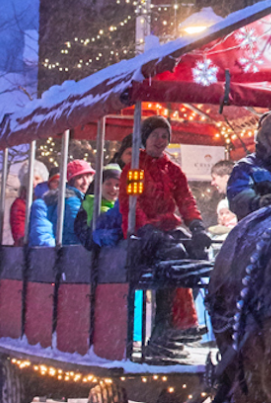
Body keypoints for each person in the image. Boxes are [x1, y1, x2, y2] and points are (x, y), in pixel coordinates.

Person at [118, 115, 210, 362]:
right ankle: (164, 329)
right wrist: (146, 228)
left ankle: (182, 325)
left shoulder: (173, 170)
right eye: (155, 135)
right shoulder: (135, 169)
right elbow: (131, 205)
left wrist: (197, 225)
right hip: (143, 234)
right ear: (145, 138)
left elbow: (186, 200)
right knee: (174, 257)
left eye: (164, 136)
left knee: (198, 254)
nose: (160, 140)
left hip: (168, 228)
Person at [38, 159, 95, 246]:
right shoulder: (71, 202)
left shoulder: (79, 199)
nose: (86, 182)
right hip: (74, 251)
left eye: (88, 176)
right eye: (80, 178)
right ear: (71, 182)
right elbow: (80, 231)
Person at [74, 165, 121, 248]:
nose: (113, 188)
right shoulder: (89, 206)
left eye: (117, 185)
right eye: (108, 184)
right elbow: (86, 239)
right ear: (99, 186)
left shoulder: (121, 207)